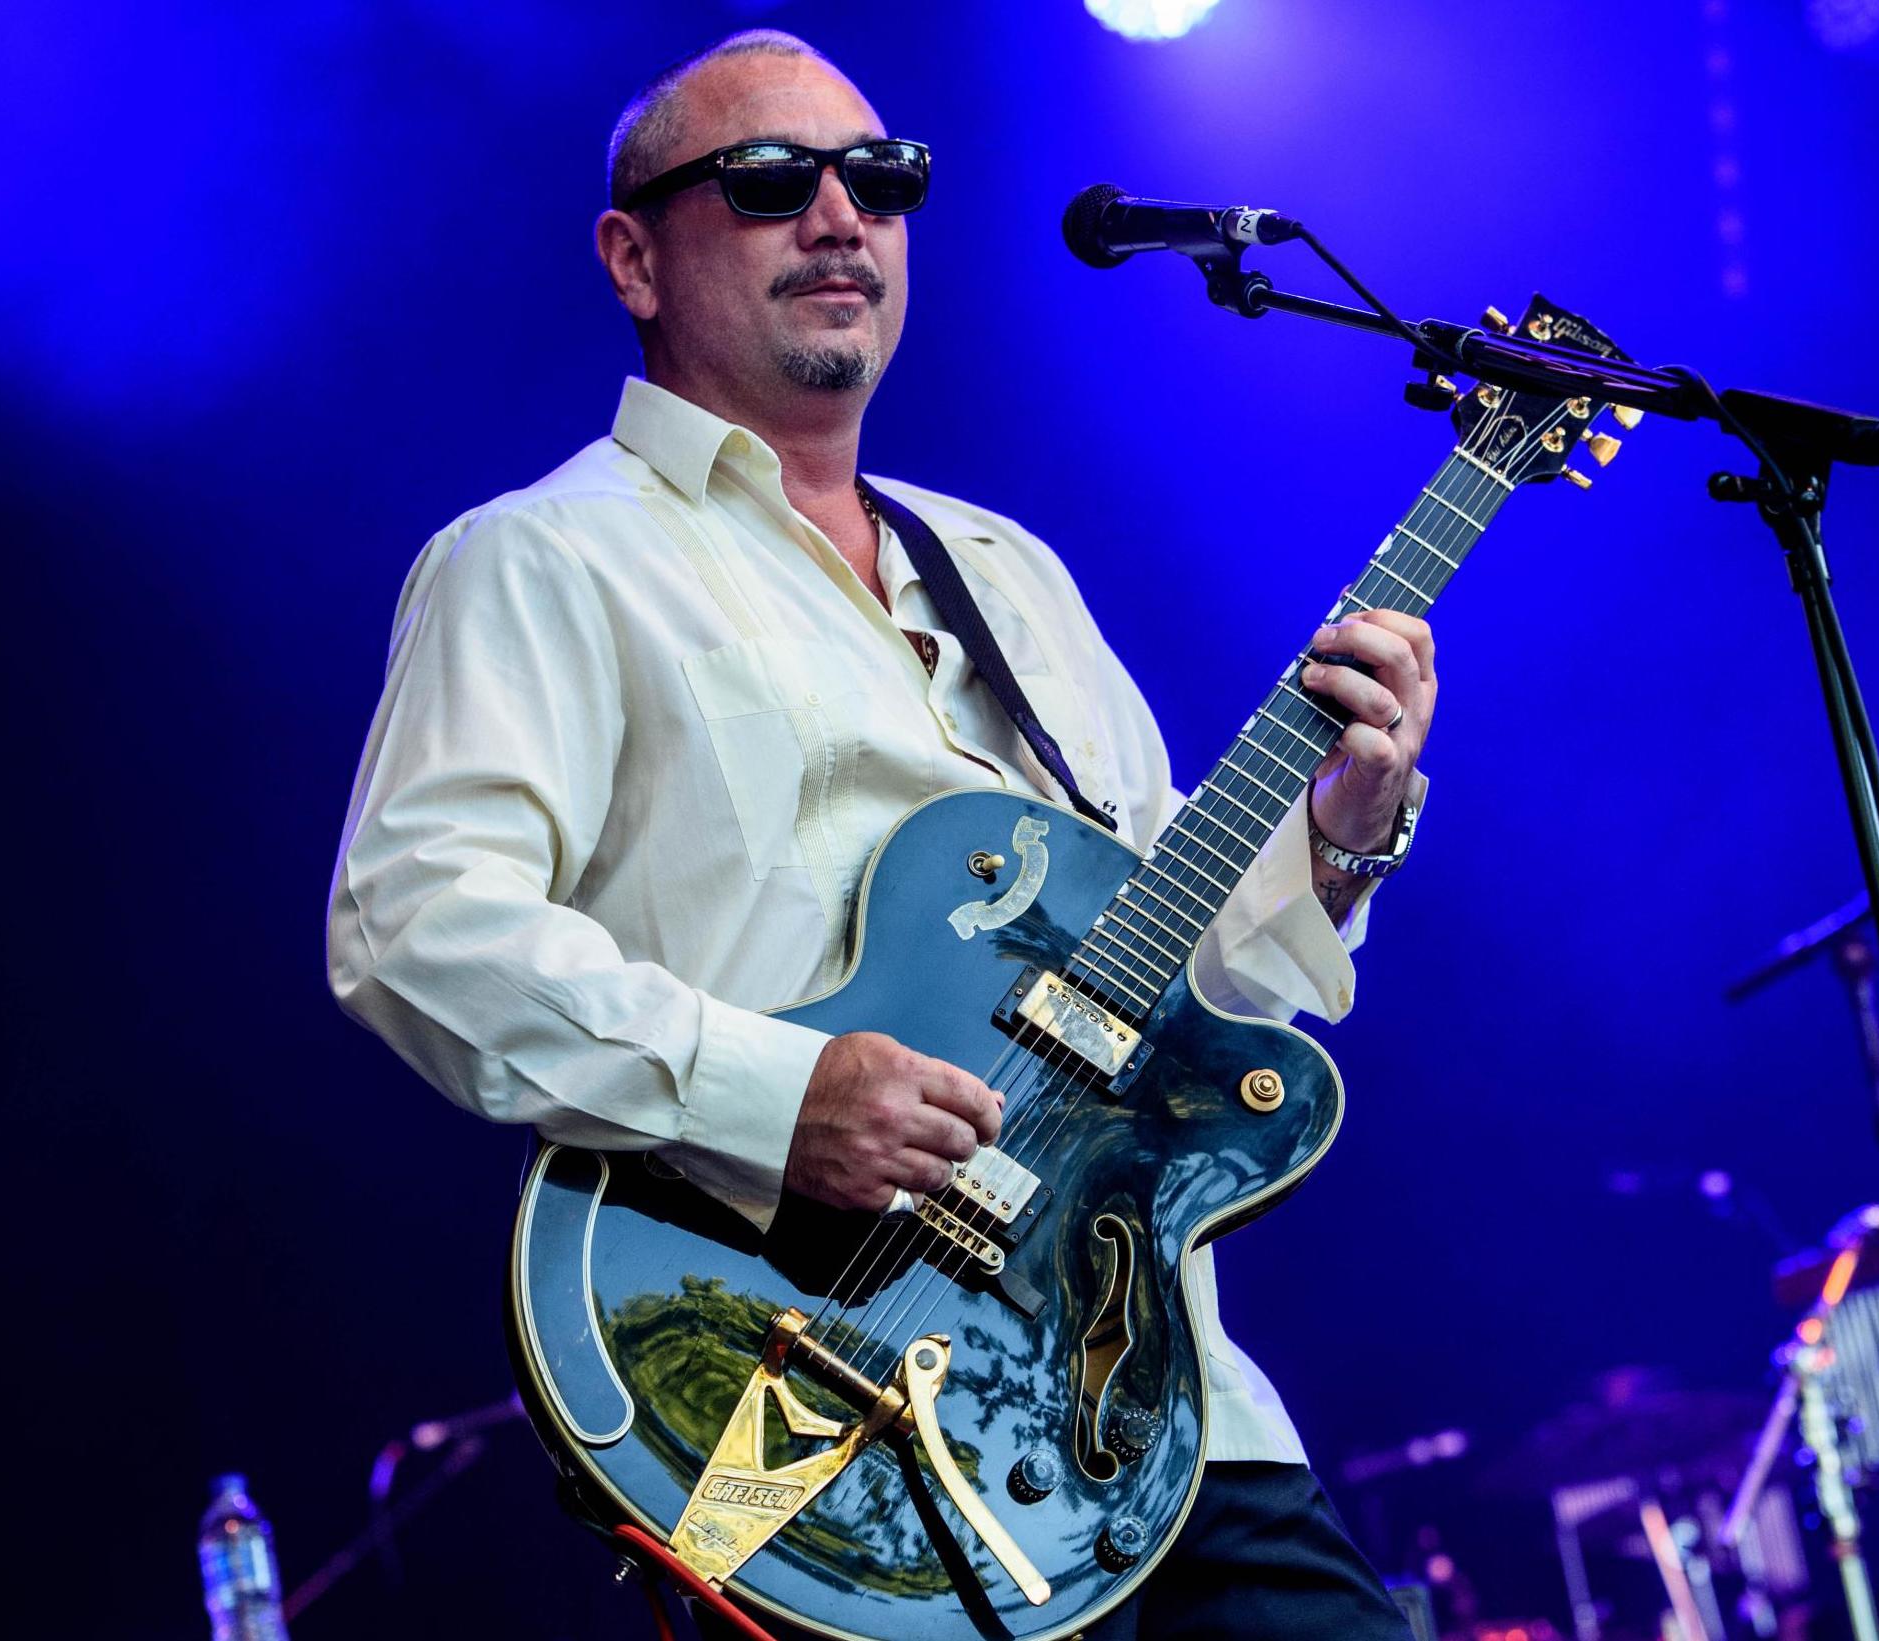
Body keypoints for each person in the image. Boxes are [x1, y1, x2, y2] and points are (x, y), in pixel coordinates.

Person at [327, 28, 1436, 1639]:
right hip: (829, 1394)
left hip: (1153, 1408)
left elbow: (1168, 988)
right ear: (632, 256)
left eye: (883, 178)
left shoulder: (1009, 569)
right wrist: (784, 1098)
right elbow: (415, 928)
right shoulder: (542, 560)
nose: (842, 216)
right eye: (773, 182)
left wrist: (1338, 836)